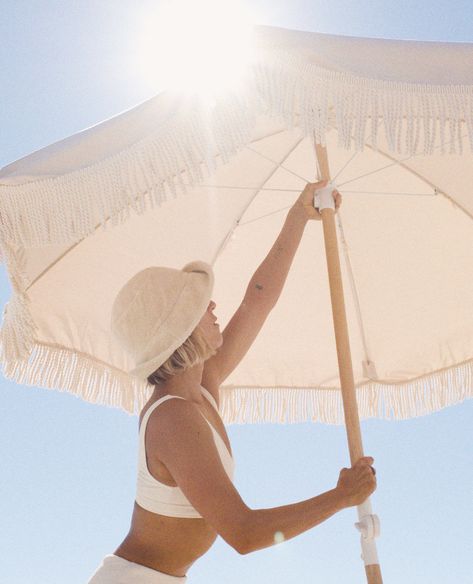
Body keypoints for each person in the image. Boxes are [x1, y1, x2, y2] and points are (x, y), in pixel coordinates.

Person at [87, 180, 377, 583]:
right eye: (197, 305)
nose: (211, 305)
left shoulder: (201, 388)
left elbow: (258, 300)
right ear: (180, 331)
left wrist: (298, 216)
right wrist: (341, 497)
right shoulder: (174, 418)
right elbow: (244, 533)